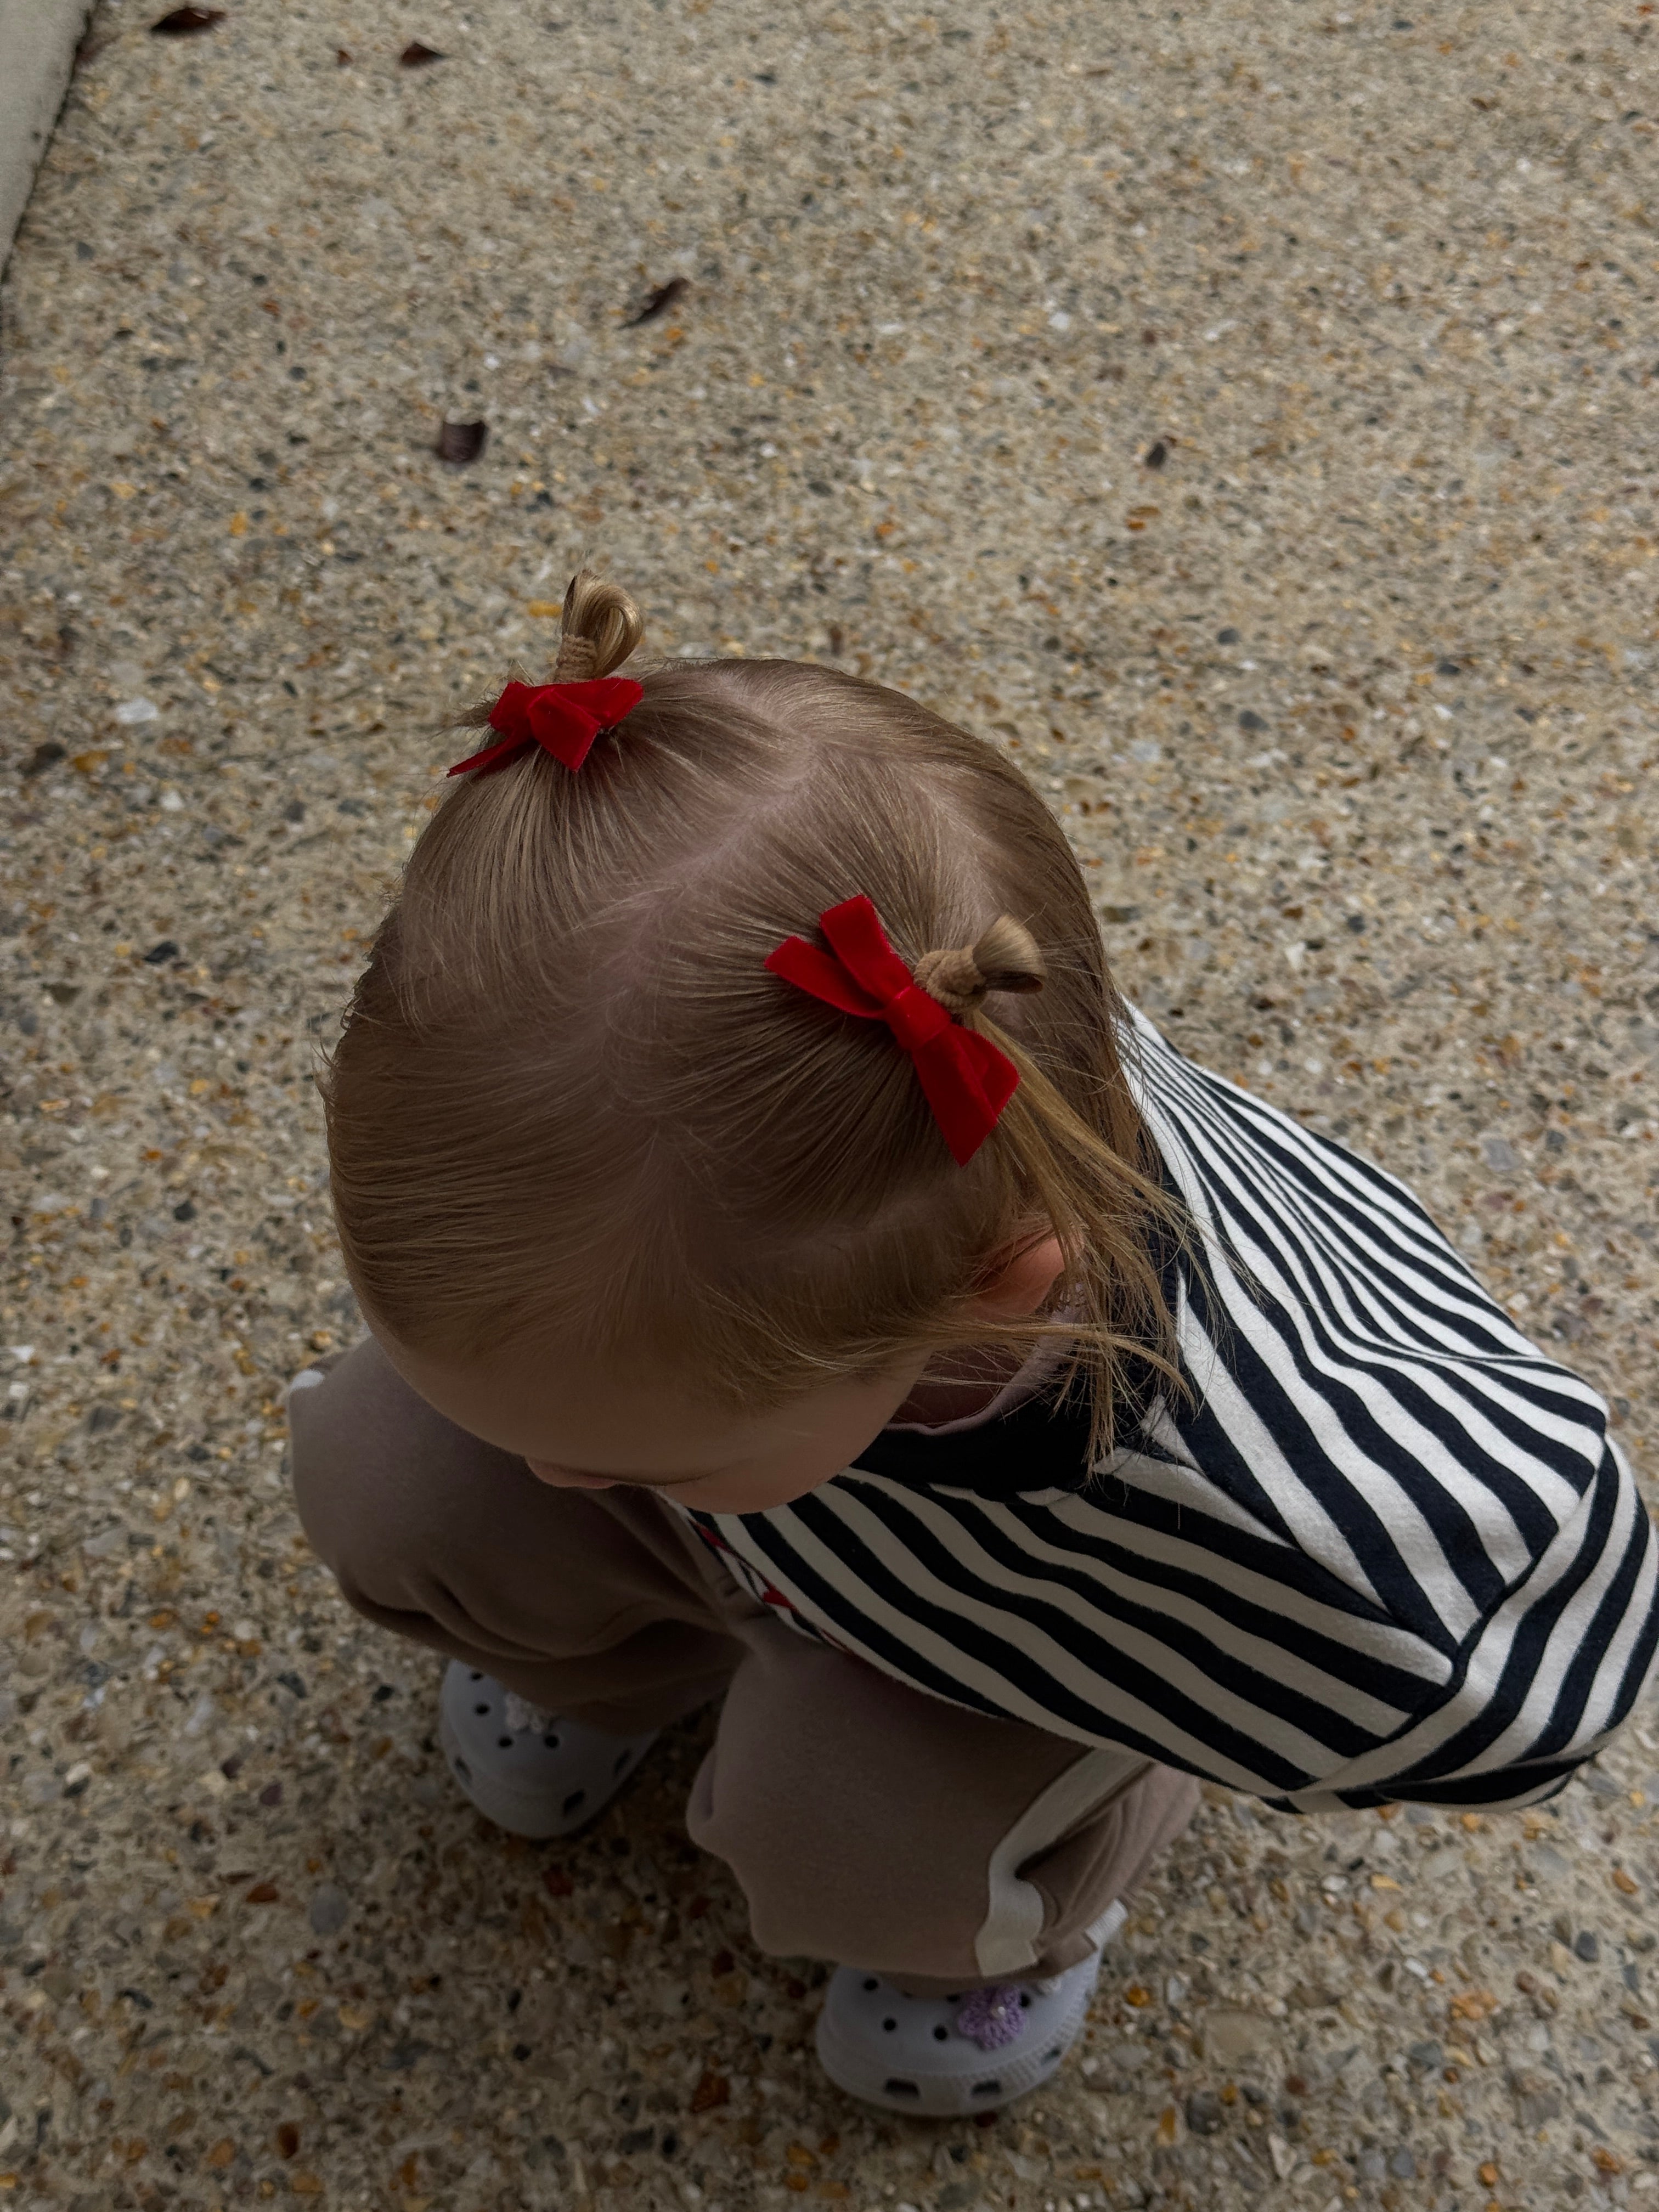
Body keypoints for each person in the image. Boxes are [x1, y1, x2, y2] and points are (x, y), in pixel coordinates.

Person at [289, 571, 1657, 2117]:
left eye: (624, 1452)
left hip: (1052, 1627)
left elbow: (1526, 1613)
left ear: (995, 1294)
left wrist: (1252, 1696)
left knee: (850, 1840)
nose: (551, 1471)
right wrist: (638, 1446)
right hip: (803, 1487)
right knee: (390, 1477)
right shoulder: (841, 1163)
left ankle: (1031, 1903)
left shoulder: (1260, 1487)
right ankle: (641, 1662)